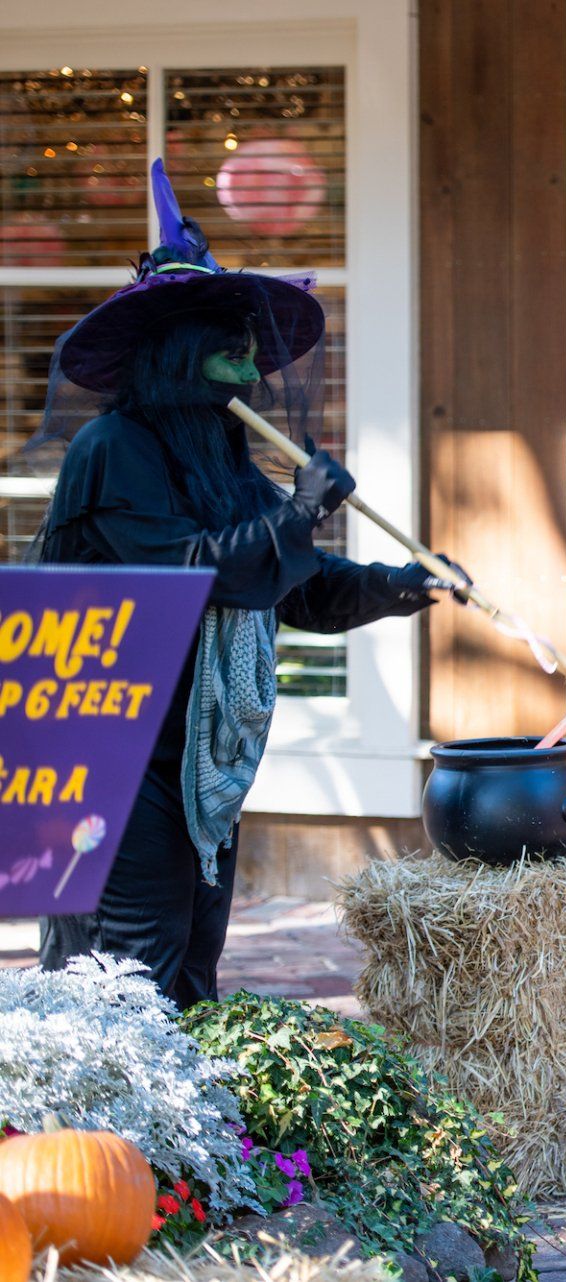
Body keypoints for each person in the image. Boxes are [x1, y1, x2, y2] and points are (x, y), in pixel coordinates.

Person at [29, 160, 464, 1010]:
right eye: (224, 341)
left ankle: (189, 1145)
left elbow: (293, 586)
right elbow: (190, 570)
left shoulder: (220, 456)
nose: (247, 360)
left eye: (246, 343)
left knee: (194, 964)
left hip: (197, 763)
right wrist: (297, 516)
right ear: (173, 350)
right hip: (114, 756)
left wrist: (399, 585)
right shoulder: (114, 450)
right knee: (133, 971)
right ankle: (113, 1144)